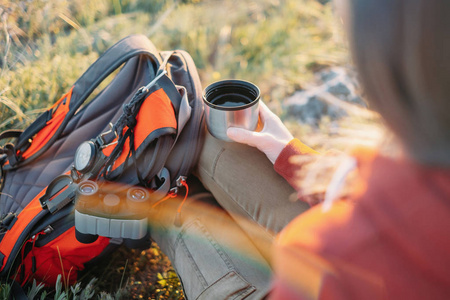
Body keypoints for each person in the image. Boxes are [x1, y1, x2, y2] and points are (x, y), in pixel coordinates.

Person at [149, 0, 450, 298]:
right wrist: (290, 154)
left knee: (173, 208)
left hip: (327, 271)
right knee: (210, 138)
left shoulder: (328, 247)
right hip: (346, 244)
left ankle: (156, 201)